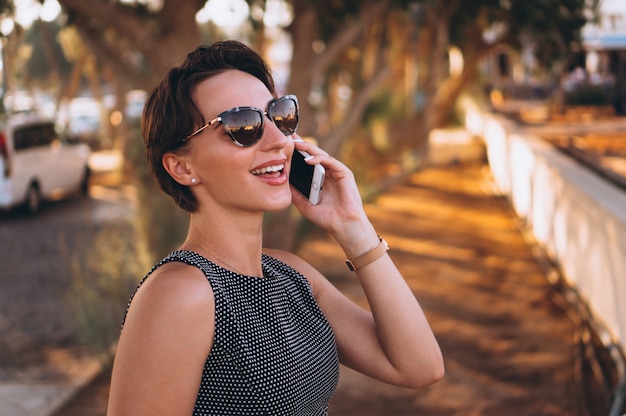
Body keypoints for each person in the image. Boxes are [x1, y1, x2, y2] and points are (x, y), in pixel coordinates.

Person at [107, 40, 443, 415]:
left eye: (280, 116)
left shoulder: (292, 275)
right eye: (243, 125)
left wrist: (353, 227)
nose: (279, 140)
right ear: (183, 168)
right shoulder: (179, 294)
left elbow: (419, 366)